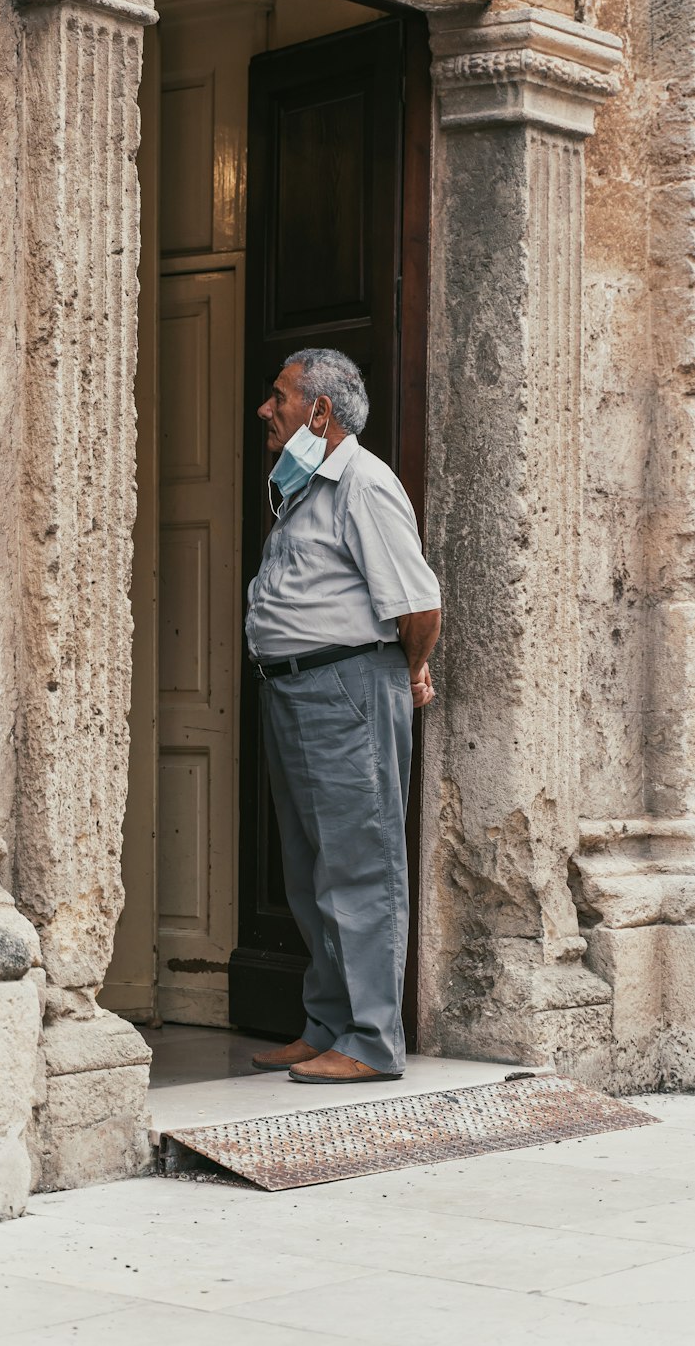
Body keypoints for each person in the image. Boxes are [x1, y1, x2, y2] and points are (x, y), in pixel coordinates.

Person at [246, 348, 441, 1084]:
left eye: (280, 397)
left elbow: (419, 606)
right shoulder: (304, 487)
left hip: (346, 689)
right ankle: (327, 1022)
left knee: (360, 866)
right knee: (309, 870)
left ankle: (369, 1040)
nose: (268, 410)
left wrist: (410, 669)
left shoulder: (363, 483)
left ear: (318, 411)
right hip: (296, 689)